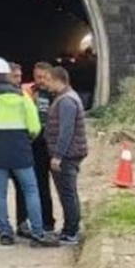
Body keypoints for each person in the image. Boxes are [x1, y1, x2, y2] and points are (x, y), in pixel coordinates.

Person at [0, 57, 60, 247]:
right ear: (7, 76)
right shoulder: (22, 97)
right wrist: (25, 141)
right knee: (31, 190)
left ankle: (5, 232)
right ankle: (37, 233)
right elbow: (35, 126)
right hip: (20, 150)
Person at [44, 66, 88, 245]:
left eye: (48, 79)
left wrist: (58, 155)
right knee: (69, 192)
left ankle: (70, 232)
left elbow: (66, 131)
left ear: (57, 79)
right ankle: (70, 228)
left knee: (67, 193)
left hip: (67, 155)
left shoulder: (66, 101)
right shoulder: (67, 97)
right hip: (70, 153)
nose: (46, 84)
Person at [0, 62, 27, 235]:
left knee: (19, 188)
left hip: (11, 149)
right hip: (4, 150)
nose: (19, 80)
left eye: (20, 76)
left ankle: (21, 222)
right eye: (15, 76)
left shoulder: (23, 94)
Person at [24, 62, 57, 235]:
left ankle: (67, 226)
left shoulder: (56, 93)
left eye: (44, 77)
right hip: (36, 145)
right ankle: (45, 222)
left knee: (62, 187)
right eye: (38, 77)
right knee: (39, 185)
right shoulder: (29, 93)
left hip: (53, 144)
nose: (41, 80)